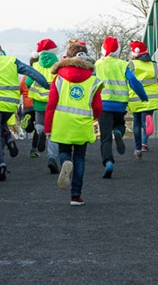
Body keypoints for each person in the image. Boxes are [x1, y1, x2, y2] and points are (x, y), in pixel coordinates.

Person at [0, 21, 50, 181]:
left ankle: (0, 163)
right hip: (10, 104)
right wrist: (45, 84)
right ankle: (9, 140)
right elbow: (31, 72)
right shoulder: (11, 60)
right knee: (2, 126)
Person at [45, 43, 103, 206]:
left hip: (62, 122)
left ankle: (64, 162)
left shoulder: (59, 78)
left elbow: (51, 104)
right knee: (79, 157)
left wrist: (48, 127)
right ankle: (76, 196)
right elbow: (98, 106)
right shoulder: (93, 80)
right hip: (82, 124)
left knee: (64, 151)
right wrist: (94, 117)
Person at [94, 36, 147, 178]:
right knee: (120, 124)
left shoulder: (98, 64)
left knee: (105, 137)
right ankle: (118, 132)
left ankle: (108, 162)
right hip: (120, 104)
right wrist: (143, 96)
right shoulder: (123, 64)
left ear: (103, 49)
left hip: (104, 104)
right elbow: (133, 81)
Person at [26, 38, 61, 174]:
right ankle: (52, 157)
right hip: (54, 102)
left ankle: (40, 133)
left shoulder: (36, 66)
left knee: (39, 123)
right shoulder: (58, 66)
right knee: (53, 130)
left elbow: (28, 82)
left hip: (39, 102)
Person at [127, 40, 158, 157]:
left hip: (136, 97)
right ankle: (144, 143)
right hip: (151, 97)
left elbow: (128, 81)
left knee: (136, 123)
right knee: (145, 120)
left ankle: (137, 149)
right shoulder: (154, 65)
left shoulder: (131, 65)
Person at [19, 54, 38, 158]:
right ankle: (33, 148)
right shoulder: (41, 75)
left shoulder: (26, 77)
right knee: (39, 128)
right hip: (38, 104)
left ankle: (28, 122)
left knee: (29, 129)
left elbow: (20, 90)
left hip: (27, 106)